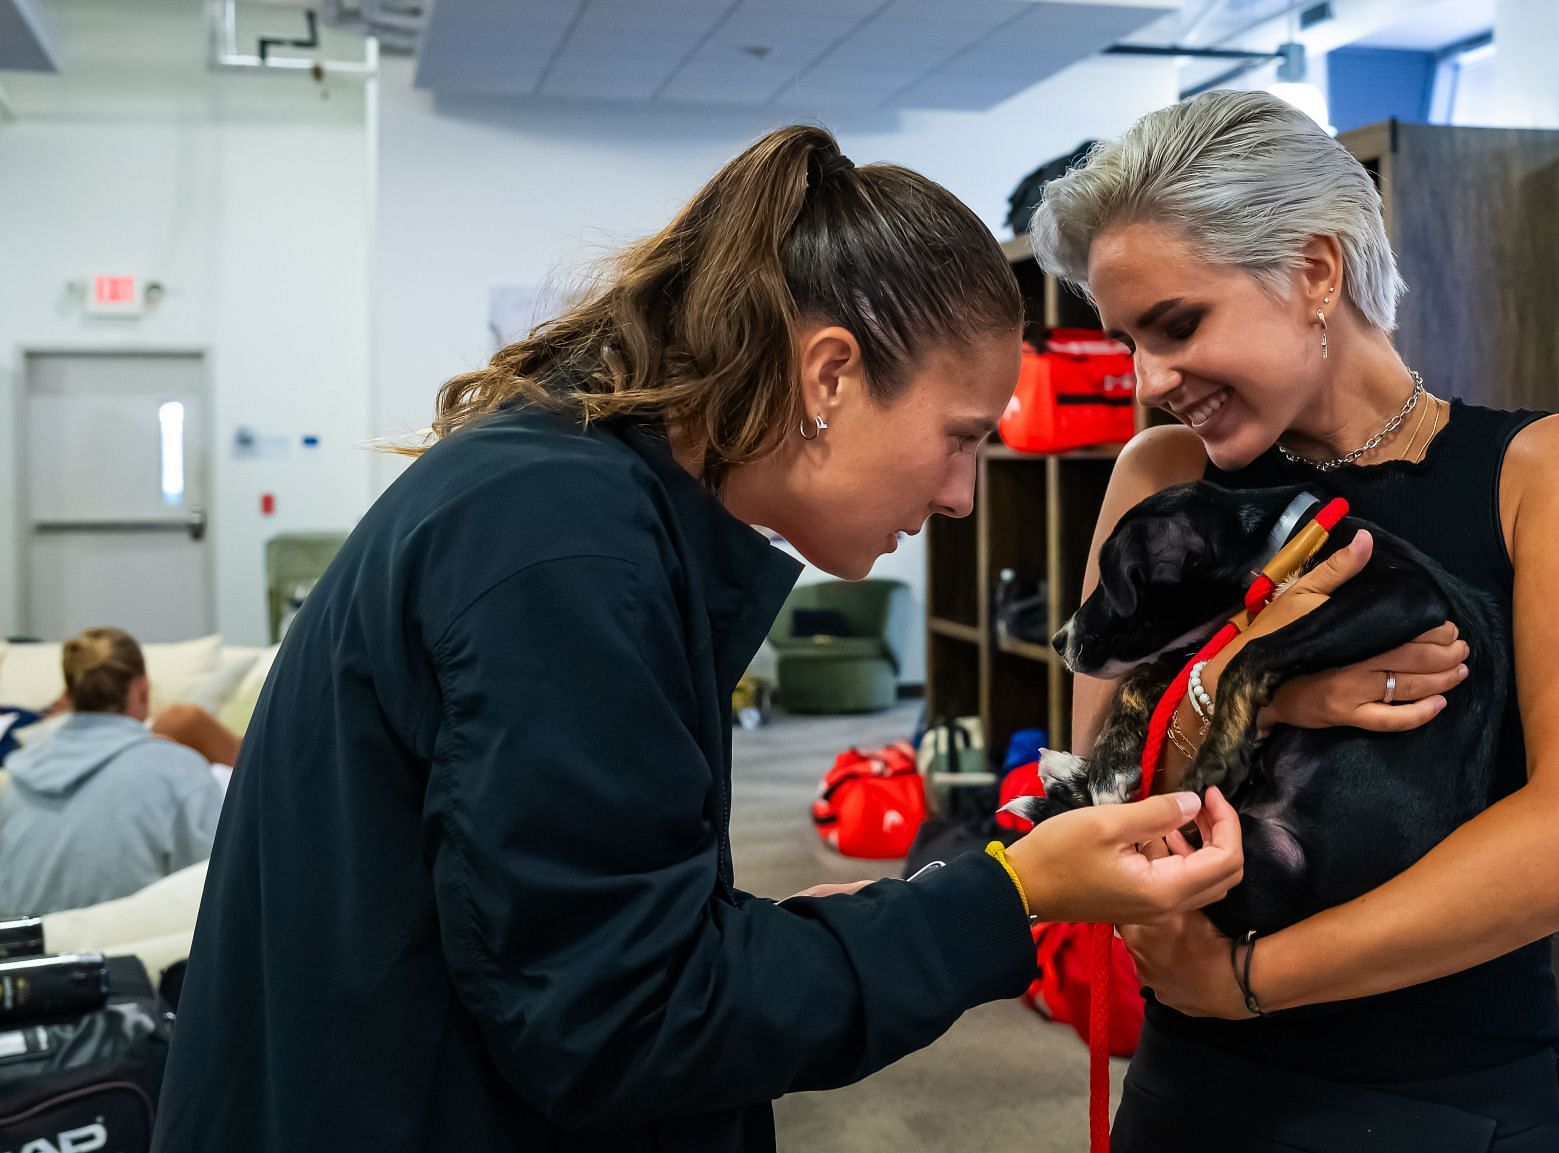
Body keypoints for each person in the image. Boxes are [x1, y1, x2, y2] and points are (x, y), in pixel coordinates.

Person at [150, 126, 1268, 1152]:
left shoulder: (573, 499)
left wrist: (787, 938)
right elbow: (623, 1023)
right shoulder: (566, 548)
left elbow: (563, 925)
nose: (965, 496)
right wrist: (1009, 895)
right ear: (830, 374)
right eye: (959, 439)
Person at [1029, 90, 1559, 1151]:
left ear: (1315, 271)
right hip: (1195, 1087)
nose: (1148, 382)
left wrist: (1246, 978)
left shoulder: (1549, 468)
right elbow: (1101, 791)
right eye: (1130, 340)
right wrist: (1269, 686)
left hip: (1448, 1094)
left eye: (1178, 326)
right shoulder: (1162, 476)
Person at [0, 627, 224, 915]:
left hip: (25, 954)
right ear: (141, 689)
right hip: (134, 952)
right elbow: (217, 890)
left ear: (70, 693)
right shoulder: (179, 770)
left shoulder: (16, 781)